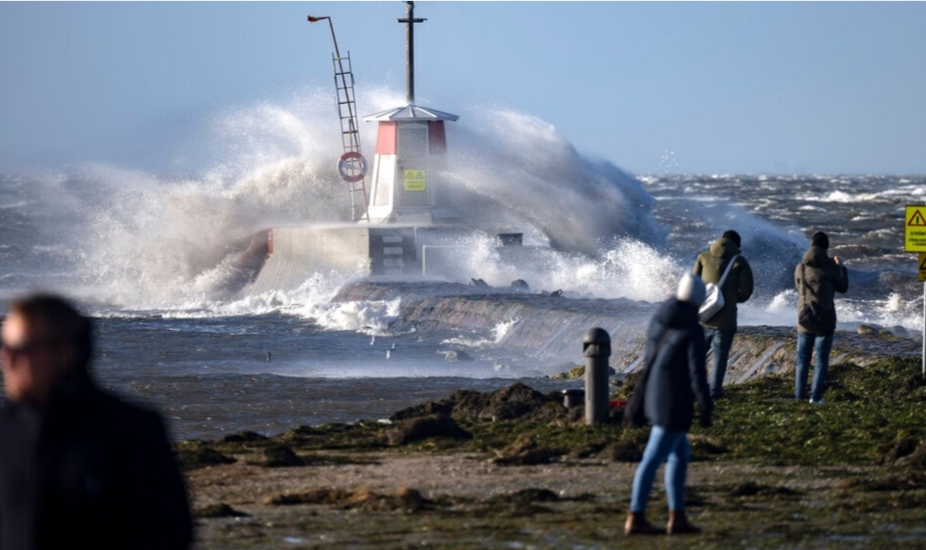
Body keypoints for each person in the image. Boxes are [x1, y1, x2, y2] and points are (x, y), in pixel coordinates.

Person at [0, 294, 193, 550]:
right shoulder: (6, 431)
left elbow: (171, 532)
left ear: (65, 353)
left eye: (20, 349)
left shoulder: (129, 429)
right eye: (4, 347)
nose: (6, 360)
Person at [625, 273, 713, 536]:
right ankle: (636, 516)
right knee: (651, 460)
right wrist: (705, 406)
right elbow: (697, 372)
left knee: (680, 454)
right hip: (673, 401)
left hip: (653, 393)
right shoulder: (692, 328)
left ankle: (677, 517)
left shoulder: (661, 318)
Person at [692, 229, 754, 399]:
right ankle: (714, 392)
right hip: (725, 320)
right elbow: (747, 291)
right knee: (720, 356)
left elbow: (693, 284)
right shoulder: (739, 262)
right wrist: (732, 299)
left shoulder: (703, 257)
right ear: (737, 245)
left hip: (703, 317)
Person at [794, 232, 848, 404]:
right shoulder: (831, 267)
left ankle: (798, 395)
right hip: (825, 319)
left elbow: (798, 287)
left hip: (805, 318)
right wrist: (841, 268)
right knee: (821, 360)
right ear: (826, 247)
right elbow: (843, 287)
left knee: (802, 359)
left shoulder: (800, 267)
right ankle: (815, 397)